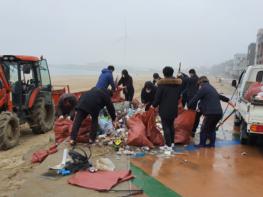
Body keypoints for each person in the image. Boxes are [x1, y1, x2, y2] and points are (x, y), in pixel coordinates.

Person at [188, 76, 234, 148]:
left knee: (204, 129)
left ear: (200, 83)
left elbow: (195, 98)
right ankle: (212, 144)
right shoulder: (212, 88)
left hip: (210, 113)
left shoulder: (203, 88)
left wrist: (189, 105)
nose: (198, 87)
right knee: (212, 129)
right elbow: (221, 97)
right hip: (218, 113)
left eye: (198, 85)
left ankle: (202, 144)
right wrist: (231, 103)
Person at [152, 66, 182, 150]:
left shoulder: (161, 86)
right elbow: (179, 96)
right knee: (171, 125)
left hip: (164, 109)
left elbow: (157, 99)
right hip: (173, 109)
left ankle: (168, 145)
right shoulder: (177, 85)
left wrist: (153, 106)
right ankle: (172, 143)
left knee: (166, 127)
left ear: (164, 74)